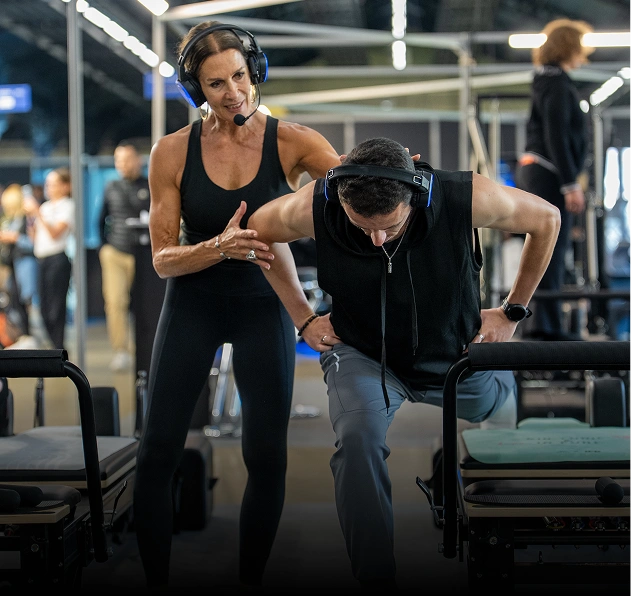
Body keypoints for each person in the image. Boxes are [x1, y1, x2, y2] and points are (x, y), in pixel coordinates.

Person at [248, 137, 561, 590]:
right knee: (357, 441)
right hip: (363, 353)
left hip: (457, 355)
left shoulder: (463, 196)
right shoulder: (317, 203)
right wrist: (302, 317)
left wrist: (512, 311)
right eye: (361, 226)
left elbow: (547, 219)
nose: (376, 239)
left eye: (388, 227)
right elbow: (258, 232)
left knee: (503, 418)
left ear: (415, 194)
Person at [132, 21, 340, 589]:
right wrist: (218, 246)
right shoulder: (172, 152)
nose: (234, 93)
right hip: (192, 306)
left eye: (241, 77)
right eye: (216, 82)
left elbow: (359, 196)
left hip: (261, 308)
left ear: (256, 73)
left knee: (266, 457)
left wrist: (394, 176)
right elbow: (163, 260)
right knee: (156, 455)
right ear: (197, 88)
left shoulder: (294, 141)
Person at [516, 18, 593, 341]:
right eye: (581, 47)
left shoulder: (548, 80)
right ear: (569, 46)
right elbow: (557, 134)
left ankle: (544, 328)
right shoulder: (557, 83)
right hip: (548, 173)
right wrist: (570, 184)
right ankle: (545, 331)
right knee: (549, 249)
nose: (584, 54)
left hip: (544, 172)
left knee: (548, 249)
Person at [99, 140, 150, 371]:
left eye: (127, 159)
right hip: (116, 252)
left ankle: (146, 346)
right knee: (115, 302)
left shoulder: (150, 184)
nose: (122, 164)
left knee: (145, 304)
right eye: (118, 160)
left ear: (138, 160)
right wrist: (105, 246)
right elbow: (101, 219)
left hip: (144, 253)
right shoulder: (111, 186)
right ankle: (120, 349)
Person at [23, 168, 74, 351]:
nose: (49, 188)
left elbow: (55, 233)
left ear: (65, 186)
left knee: (56, 308)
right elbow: (34, 238)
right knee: (43, 308)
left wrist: (37, 213)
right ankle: (54, 346)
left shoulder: (68, 206)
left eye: (53, 184)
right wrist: (31, 218)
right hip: (41, 260)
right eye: (47, 184)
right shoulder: (45, 207)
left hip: (57, 260)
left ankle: (59, 348)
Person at [0, 184, 37, 341]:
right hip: (13, 265)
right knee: (15, 301)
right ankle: (24, 336)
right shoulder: (10, 219)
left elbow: (33, 243)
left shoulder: (27, 219)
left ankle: (32, 337)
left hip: (25, 264)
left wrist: (15, 237)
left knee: (27, 302)